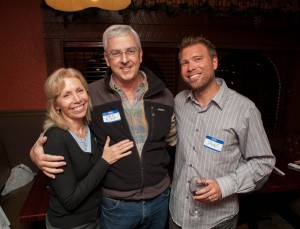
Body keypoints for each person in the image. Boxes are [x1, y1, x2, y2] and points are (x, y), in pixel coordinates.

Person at [30, 25, 177, 229]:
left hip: (160, 199)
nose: (124, 59)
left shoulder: (166, 96)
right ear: (107, 59)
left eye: (130, 51)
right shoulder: (90, 95)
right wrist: (37, 148)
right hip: (116, 205)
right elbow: (66, 121)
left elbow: (172, 139)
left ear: (140, 55)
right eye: (116, 53)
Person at [169, 36, 276, 229]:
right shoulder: (179, 102)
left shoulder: (244, 109)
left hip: (217, 220)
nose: (190, 67)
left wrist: (224, 185)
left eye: (198, 59)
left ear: (215, 61)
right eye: (185, 62)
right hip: (178, 214)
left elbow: (264, 162)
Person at [41, 67, 133, 228]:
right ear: (56, 105)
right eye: (66, 95)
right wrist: (105, 161)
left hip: (96, 218)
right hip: (70, 224)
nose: (77, 99)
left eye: (79, 90)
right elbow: (70, 200)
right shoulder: (55, 138)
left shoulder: (90, 126)